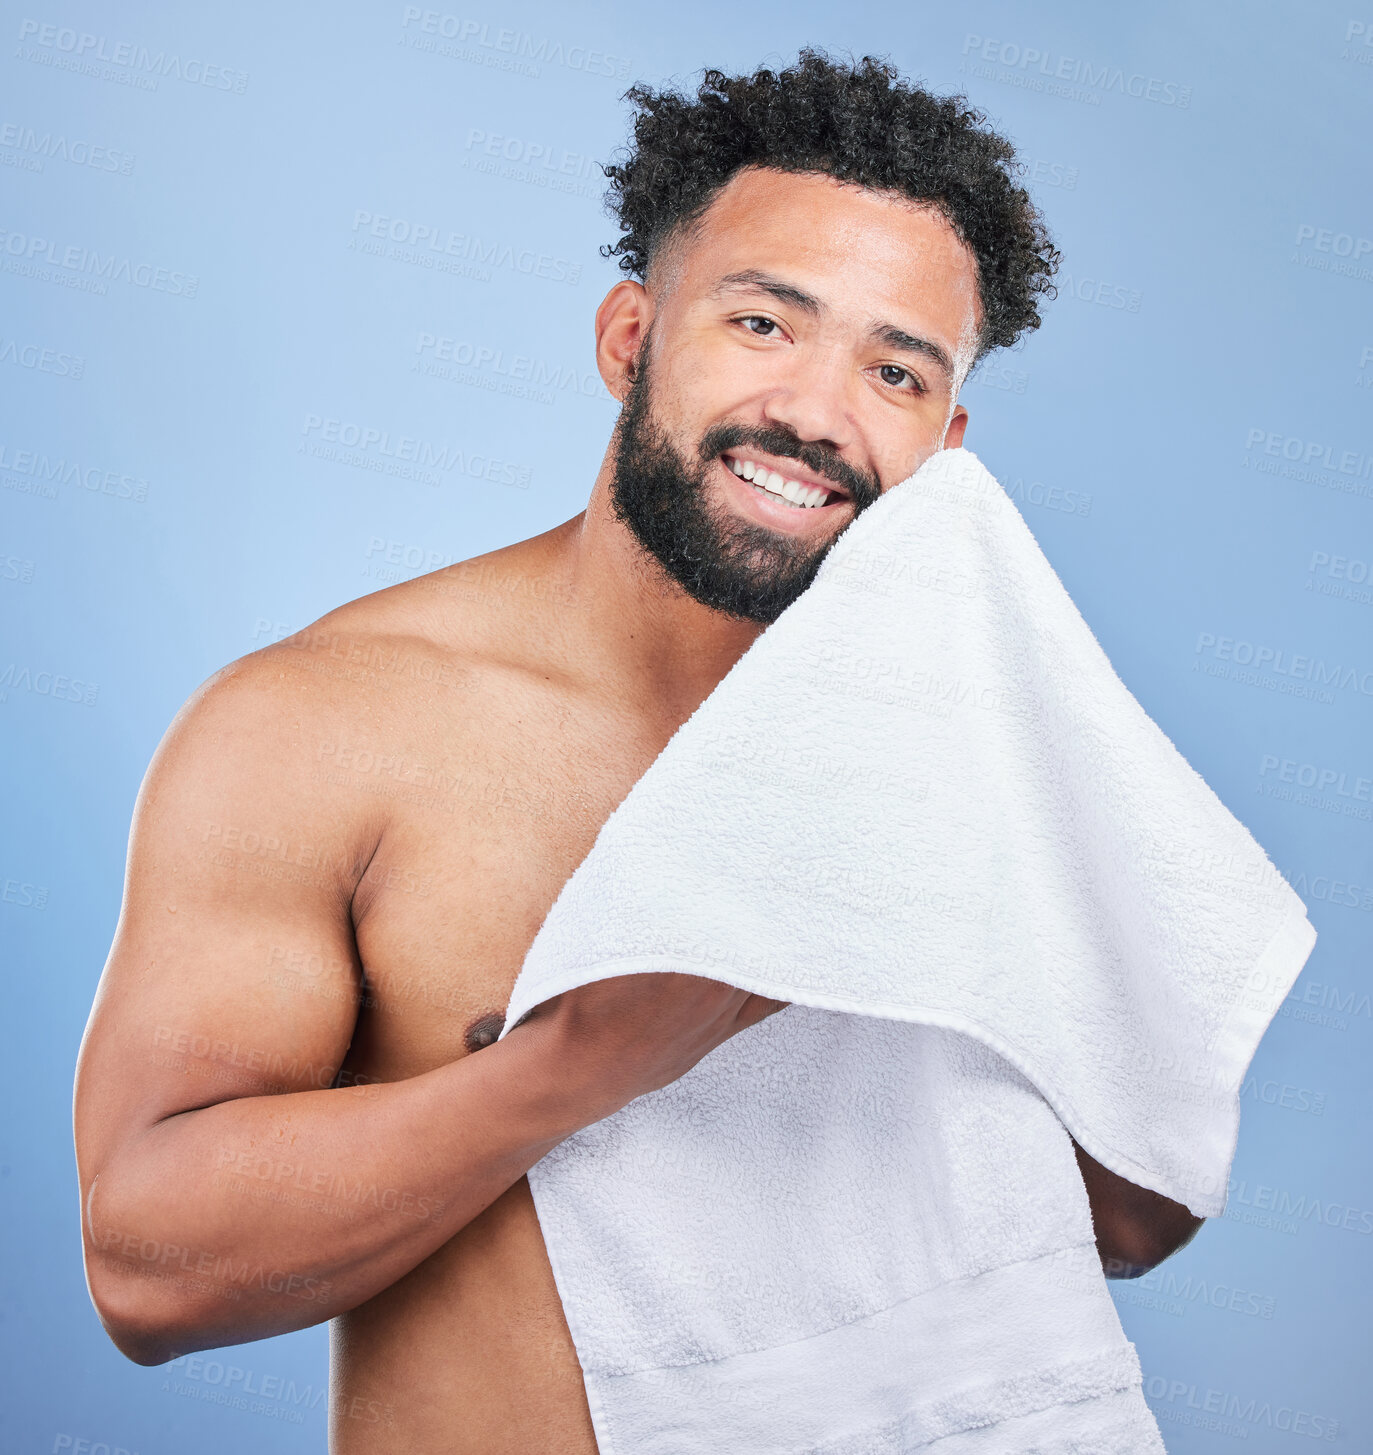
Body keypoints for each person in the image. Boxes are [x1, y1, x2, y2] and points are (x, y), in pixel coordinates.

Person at [74, 50, 1202, 1452]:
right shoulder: (325, 723)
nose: (816, 412)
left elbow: (1129, 1220)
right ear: (629, 335)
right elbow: (144, 1270)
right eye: (760, 323)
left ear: (946, 438)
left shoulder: (984, 761)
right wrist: (578, 1063)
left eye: (895, 371)